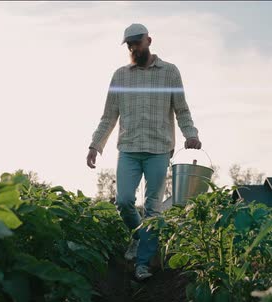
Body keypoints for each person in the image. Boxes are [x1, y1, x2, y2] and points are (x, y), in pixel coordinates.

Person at [86, 23, 202, 281]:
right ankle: (139, 237)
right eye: (129, 45)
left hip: (159, 149)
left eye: (136, 43)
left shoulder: (170, 73)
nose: (133, 48)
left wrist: (191, 134)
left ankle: (143, 265)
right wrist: (95, 145)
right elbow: (108, 116)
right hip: (128, 148)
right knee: (124, 200)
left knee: (153, 209)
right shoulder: (120, 76)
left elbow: (181, 110)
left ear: (149, 40)